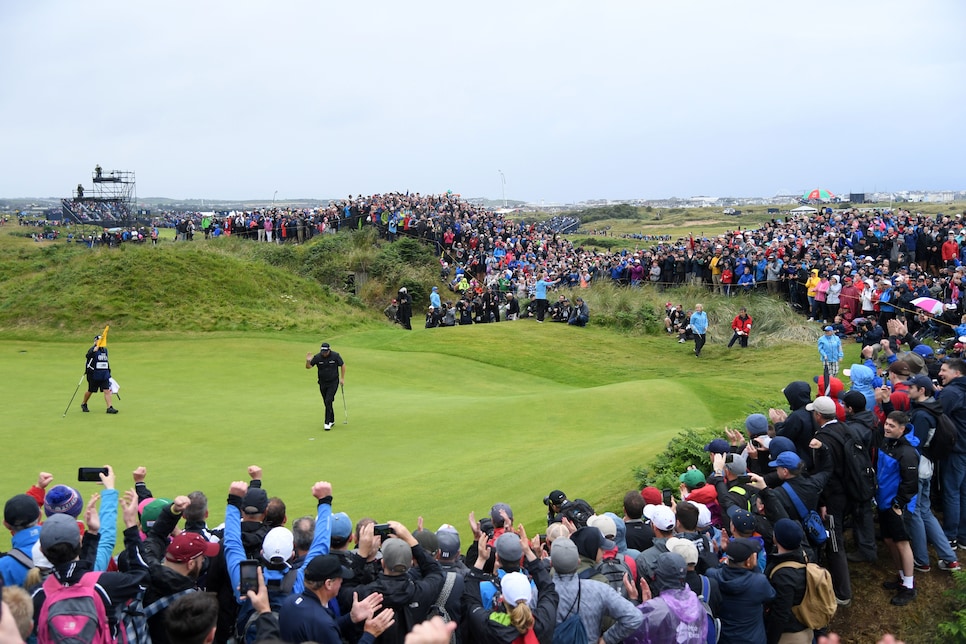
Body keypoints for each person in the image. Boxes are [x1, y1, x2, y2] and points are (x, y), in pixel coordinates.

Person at [876, 411, 921, 606]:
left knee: (902, 543)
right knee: (888, 539)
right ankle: (902, 576)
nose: (886, 428)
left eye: (892, 426)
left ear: (902, 429)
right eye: (886, 424)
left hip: (897, 506)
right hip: (884, 501)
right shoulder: (887, 442)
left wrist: (898, 504)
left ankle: (909, 586)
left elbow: (911, 484)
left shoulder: (908, 452)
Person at [938, 358, 966, 551]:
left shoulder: (951, 392)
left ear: (957, 373)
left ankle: (950, 536)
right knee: (963, 493)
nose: (940, 373)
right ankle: (963, 536)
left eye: (943, 370)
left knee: (952, 493)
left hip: (956, 450)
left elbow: (937, 414)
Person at [306, 342, 346, 431]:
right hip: (322, 383)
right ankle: (332, 419)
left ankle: (327, 422)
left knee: (328, 400)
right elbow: (308, 367)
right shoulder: (317, 357)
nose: (324, 353)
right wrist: (308, 360)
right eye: (323, 352)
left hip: (333, 382)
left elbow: (342, 365)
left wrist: (342, 378)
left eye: (325, 351)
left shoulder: (335, 356)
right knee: (327, 401)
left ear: (329, 350)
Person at [81, 334, 118, 414]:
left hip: (104, 374)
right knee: (91, 390)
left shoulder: (105, 350)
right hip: (94, 375)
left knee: (107, 390)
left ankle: (109, 408)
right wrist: (95, 349)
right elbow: (88, 356)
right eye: (99, 340)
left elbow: (105, 362)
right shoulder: (92, 349)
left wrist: (108, 372)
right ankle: (84, 403)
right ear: (95, 341)